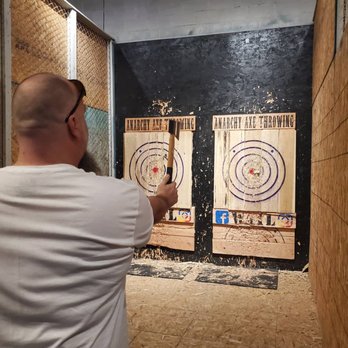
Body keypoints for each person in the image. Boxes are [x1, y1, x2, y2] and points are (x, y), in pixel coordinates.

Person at [0, 73, 178, 348]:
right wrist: (164, 199)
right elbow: (152, 210)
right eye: (82, 115)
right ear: (74, 124)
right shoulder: (120, 199)